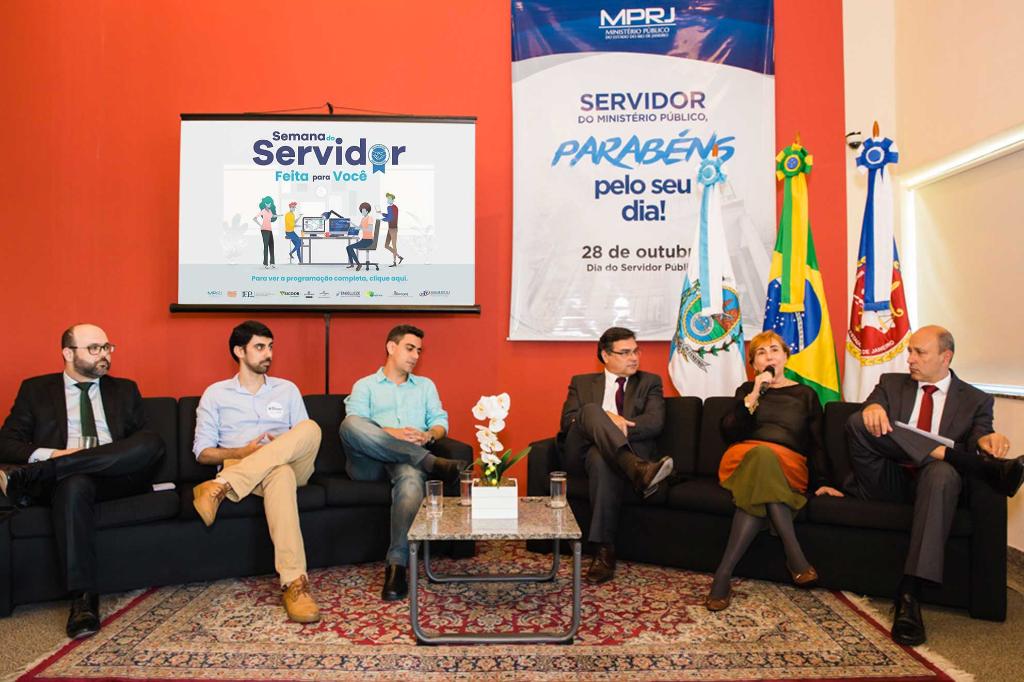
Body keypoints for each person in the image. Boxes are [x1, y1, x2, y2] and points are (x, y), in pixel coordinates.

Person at [844, 325, 1024, 645]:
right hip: (886, 479)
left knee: (942, 472)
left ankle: (910, 593)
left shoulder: (976, 400)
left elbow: (980, 435)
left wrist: (989, 440)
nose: (910, 359)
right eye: (909, 351)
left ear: (945, 357)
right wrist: (872, 408)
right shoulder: (890, 383)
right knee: (859, 421)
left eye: (919, 352)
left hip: (935, 489)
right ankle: (971, 464)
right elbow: (870, 412)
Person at [0, 324, 164, 638]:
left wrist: (52, 465)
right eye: (94, 348)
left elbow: (144, 443)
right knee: (74, 484)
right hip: (71, 483)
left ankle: (42, 473)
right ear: (67, 353)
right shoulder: (36, 390)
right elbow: (5, 443)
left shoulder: (125, 389)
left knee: (152, 442)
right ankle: (83, 600)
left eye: (107, 347)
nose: (104, 355)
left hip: (115, 477)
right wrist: (57, 454)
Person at [191, 320, 323, 623]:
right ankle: (294, 584)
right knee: (280, 473)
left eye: (271, 347)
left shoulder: (287, 389)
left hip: (292, 463)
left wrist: (280, 447)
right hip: (246, 466)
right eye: (260, 347)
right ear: (239, 351)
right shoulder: (215, 394)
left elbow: (303, 438)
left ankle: (221, 486)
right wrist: (241, 453)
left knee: (310, 428)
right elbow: (203, 452)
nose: (268, 354)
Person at [705, 330, 839, 611]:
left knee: (760, 479)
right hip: (742, 460)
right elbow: (729, 432)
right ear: (754, 364)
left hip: (788, 465)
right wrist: (755, 394)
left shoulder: (805, 394)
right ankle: (796, 558)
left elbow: (816, 443)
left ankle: (723, 575)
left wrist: (823, 481)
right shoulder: (746, 390)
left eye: (774, 350)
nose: (769, 357)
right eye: (761, 353)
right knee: (762, 456)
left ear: (786, 357)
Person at [339, 325, 466, 600]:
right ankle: (430, 462)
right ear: (391, 347)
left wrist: (429, 435)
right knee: (350, 425)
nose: (415, 356)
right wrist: (392, 433)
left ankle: (396, 567)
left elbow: (440, 422)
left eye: (419, 351)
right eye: (410, 348)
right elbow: (356, 424)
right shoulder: (365, 385)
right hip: (369, 462)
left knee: (410, 480)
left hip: (406, 461)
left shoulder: (425, 386)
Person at [558, 326, 673, 584]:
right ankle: (637, 468)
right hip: (579, 453)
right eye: (625, 352)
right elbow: (567, 422)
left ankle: (604, 551)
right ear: (605, 355)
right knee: (590, 410)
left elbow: (654, 422)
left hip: (605, 458)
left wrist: (617, 428)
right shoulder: (581, 382)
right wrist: (607, 418)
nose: (634, 358)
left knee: (601, 458)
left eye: (636, 351)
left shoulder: (650, 382)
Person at [346, 202, 375, 270]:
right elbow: (358, 228)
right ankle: (352, 264)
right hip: (363, 240)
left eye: (364, 211)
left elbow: (370, 229)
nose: (362, 212)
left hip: (368, 241)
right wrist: (351, 223)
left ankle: (359, 264)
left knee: (350, 247)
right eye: (361, 211)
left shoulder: (370, 218)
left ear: (367, 211)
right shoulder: (363, 219)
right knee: (348, 247)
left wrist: (361, 228)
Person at [380, 192, 403, 267]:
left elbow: (390, 218)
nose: (388, 200)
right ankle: (399, 256)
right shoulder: (392, 207)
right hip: (390, 228)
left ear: (393, 199)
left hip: (393, 229)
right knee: (386, 245)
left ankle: (394, 262)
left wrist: (382, 219)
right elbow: (389, 215)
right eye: (387, 198)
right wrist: (381, 213)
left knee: (394, 245)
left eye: (389, 198)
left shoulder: (391, 207)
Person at [255, 196, 277, 268]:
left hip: (270, 229)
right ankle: (265, 263)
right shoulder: (263, 211)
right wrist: (260, 225)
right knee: (266, 246)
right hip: (264, 230)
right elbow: (254, 218)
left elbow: (272, 216)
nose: (269, 204)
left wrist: (278, 215)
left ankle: (272, 263)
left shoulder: (270, 211)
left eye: (270, 203)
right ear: (265, 204)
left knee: (272, 245)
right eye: (267, 203)